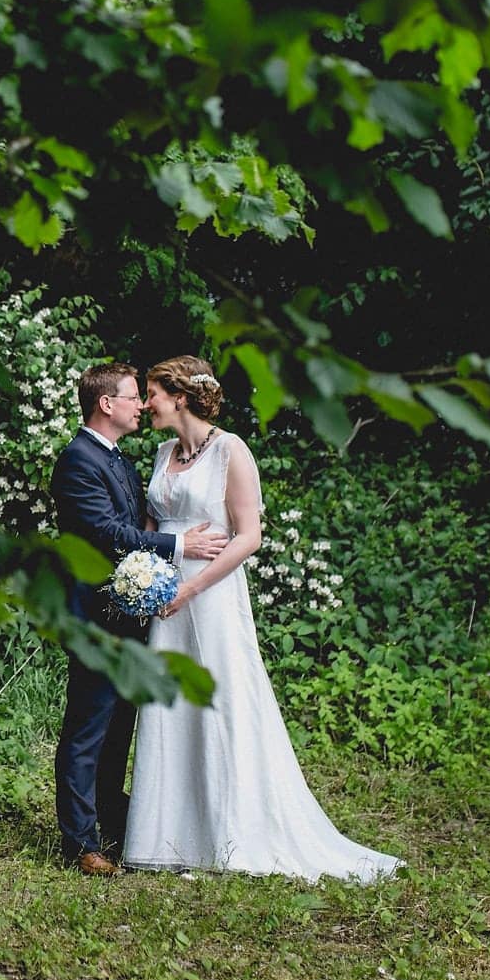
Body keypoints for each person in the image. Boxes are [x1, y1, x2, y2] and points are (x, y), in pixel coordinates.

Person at [122, 355, 402, 883]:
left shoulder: (231, 450)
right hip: (166, 598)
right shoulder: (162, 453)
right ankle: (167, 838)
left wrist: (192, 587)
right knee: (168, 703)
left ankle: (230, 835)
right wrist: (148, 581)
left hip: (211, 595)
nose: (147, 403)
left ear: (178, 397)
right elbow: (153, 524)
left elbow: (249, 535)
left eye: (153, 393)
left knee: (221, 701)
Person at [51, 363, 228, 877]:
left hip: (129, 614)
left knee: (117, 730)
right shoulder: (78, 462)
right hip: (95, 617)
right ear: (106, 404)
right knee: (87, 729)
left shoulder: (119, 461)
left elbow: (135, 522)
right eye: (133, 397)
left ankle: (109, 828)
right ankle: (79, 844)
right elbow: (108, 532)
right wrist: (179, 544)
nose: (141, 405)